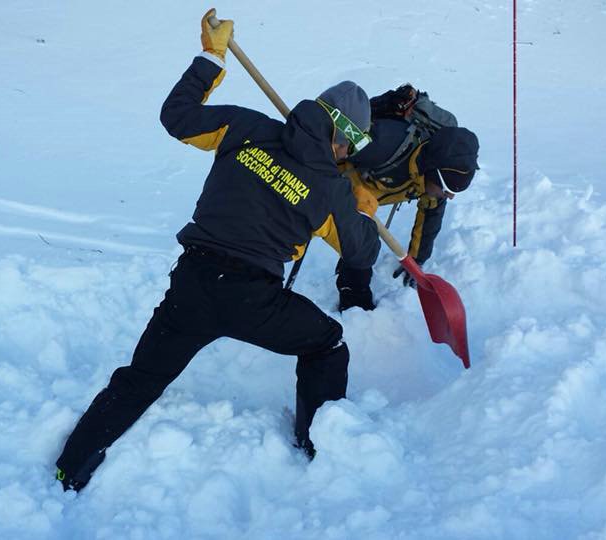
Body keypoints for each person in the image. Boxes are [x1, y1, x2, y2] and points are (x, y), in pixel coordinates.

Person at [53, 8, 381, 492]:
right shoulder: (331, 190)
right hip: (254, 301)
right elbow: (360, 254)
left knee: (140, 378)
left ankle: (70, 467)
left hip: (192, 282)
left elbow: (177, 117)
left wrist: (210, 58)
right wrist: (365, 212)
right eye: (351, 143)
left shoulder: (244, 127)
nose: (348, 155)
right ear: (339, 133)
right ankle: (318, 446)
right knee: (327, 341)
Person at [335, 85, 480, 311]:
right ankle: (355, 302)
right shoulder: (382, 143)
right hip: (341, 180)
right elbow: (335, 138)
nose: (449, 196)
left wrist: (416, 261)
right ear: (432, 170)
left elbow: (429, 221)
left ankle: (353, 297)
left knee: (364, 239)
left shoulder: (432, 187)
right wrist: (348, 187)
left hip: (373, 189)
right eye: (447, 188)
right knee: (364, 239)